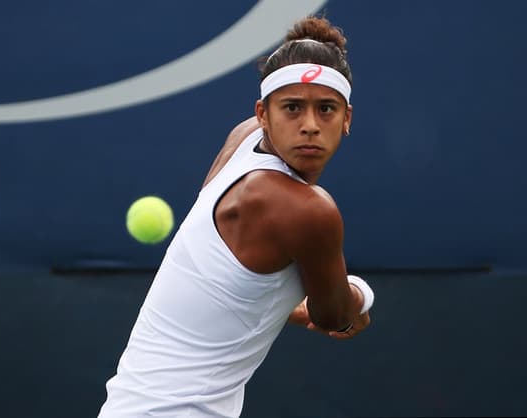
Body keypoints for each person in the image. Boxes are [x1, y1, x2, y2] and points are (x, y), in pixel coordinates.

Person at [98, 15, 375, 418]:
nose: (310, 125)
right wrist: (362, 294)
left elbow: (224, 277)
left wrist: (283, 306)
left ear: (346, 118)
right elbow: (333, 316)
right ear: (263, 113)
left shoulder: (243, 139)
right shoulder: (306, 209)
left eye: (326, 109)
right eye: (293, 108)